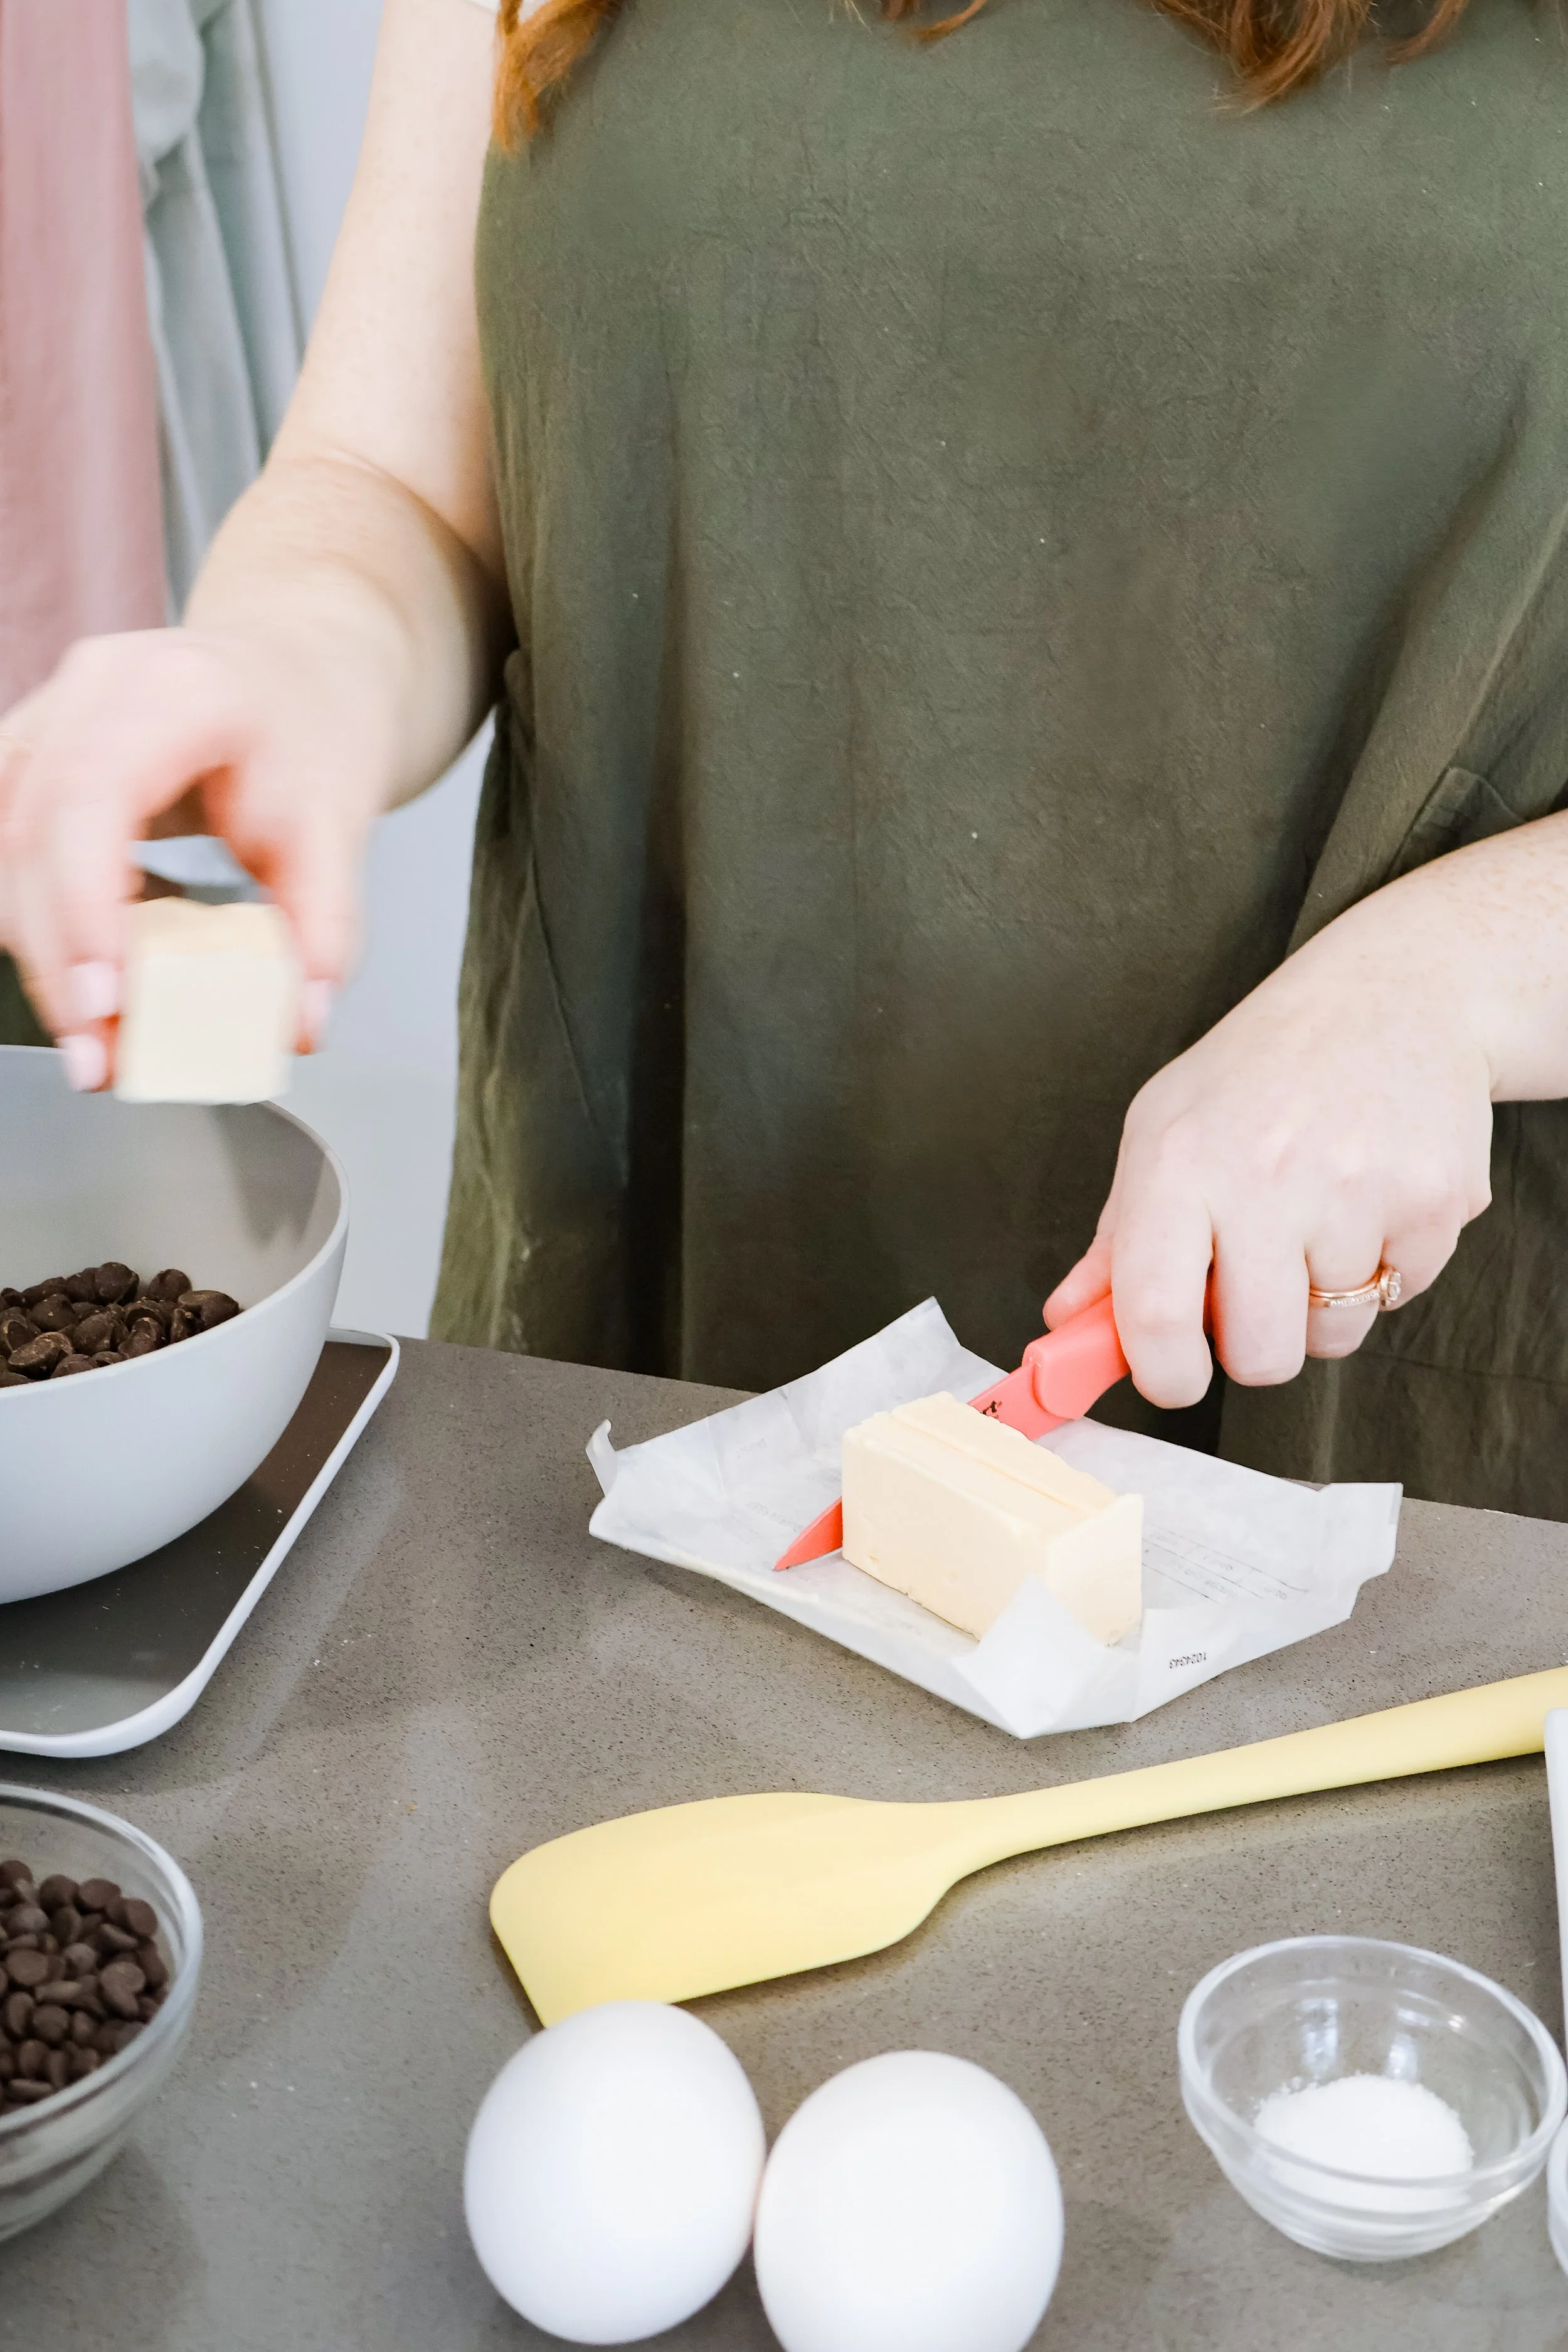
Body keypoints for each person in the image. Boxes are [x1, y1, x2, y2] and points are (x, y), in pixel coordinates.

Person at [2, 0, 1567, 1515]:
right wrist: (288, 665)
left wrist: (1440, 993)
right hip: (659, 1315)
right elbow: (394, 481)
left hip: (1415, 1394)